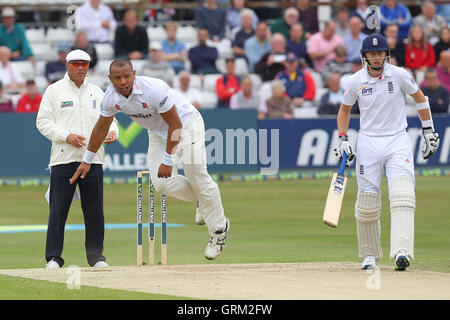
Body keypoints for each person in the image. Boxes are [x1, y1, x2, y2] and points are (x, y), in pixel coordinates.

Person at [69, 59, 230, 261]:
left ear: (133, 74)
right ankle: (203, 199)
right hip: (157, 133)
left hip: (187, 126)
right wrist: (87, 160)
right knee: (161, 184)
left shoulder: (153, 88)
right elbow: (101, 127)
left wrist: (168, 159)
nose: (123, 81)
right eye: (117, 78)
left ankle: (218, 230)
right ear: (110, 79)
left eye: (127, 76)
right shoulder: (110, 97)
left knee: (196, 174)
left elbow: (176, 124)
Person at [335, 34, 440, 272]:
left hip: (397, 139)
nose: (376, 57)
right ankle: (369, 256)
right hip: (368, 142)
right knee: (367, 200)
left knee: (402, 192)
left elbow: (421, 100)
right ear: (364, 57)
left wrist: (429, 131)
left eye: (380, 53)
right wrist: (342, 138)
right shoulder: (355, 81)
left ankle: (402, 251)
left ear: (386, 54)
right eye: (372, 53)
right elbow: (344, 110)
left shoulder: (400, 74)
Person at [36, 49, 120, 269]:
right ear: (67, 65)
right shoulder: (54, 91)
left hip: (93, 158)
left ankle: (96, 257)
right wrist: (66, 136)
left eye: (85, 64)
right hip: (64, 158)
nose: (81, 68)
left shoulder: (97, 91)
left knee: (94, 210)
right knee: (58, 210)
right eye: (76, 64)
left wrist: (113, 132)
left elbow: (111, 120)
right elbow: (43, 122)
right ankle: (53, 257)